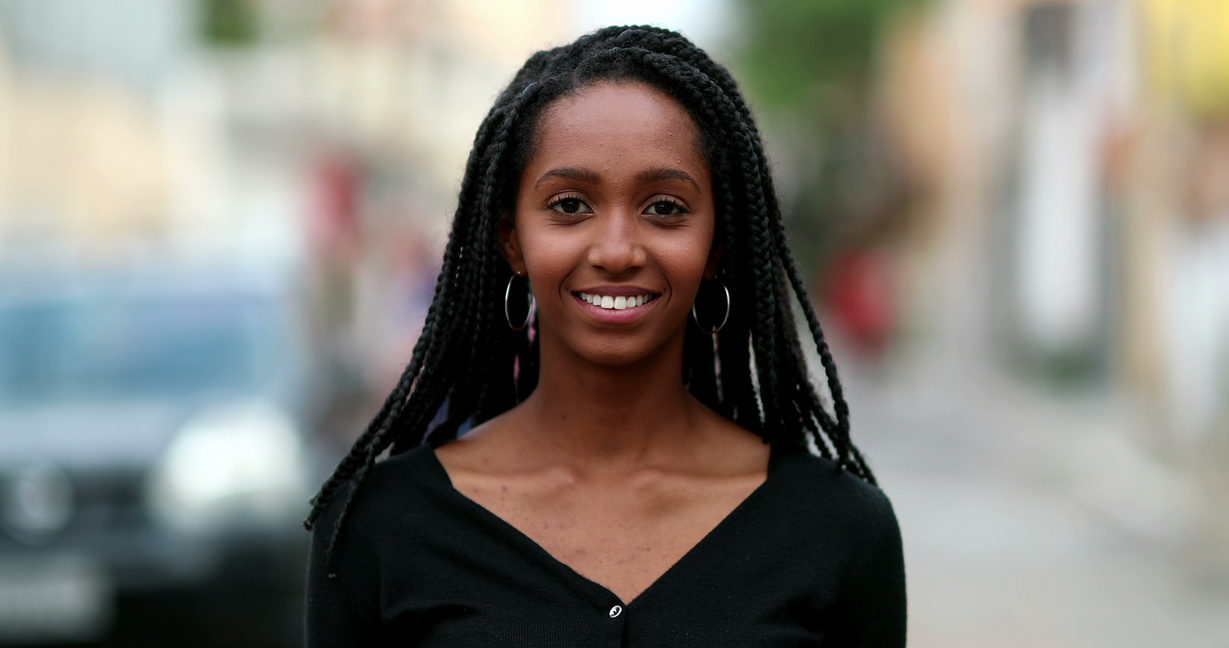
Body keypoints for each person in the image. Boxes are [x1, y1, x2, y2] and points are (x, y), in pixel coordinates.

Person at [304, 25, 905, 647]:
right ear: (512, 239)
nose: (617, 250)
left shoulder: (839, 530)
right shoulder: (378, 526)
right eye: (569, 205)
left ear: (718, 245)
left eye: (665, 207)